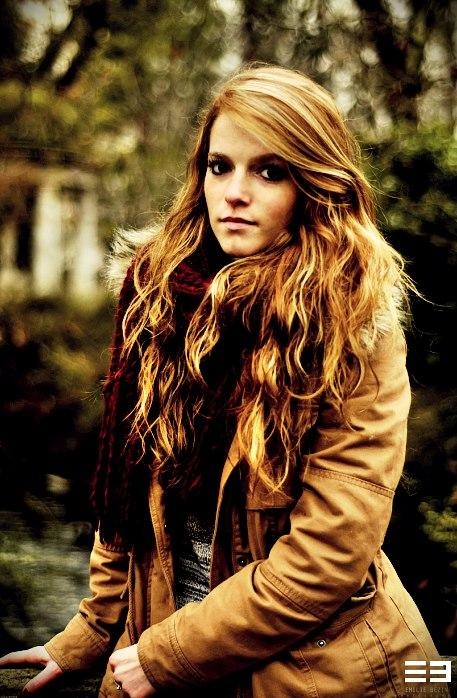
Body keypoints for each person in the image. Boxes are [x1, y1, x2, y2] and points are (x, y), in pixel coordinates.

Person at [0, 64, 449, 698]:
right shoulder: (159, 298)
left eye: (269, 172)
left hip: (319, 672)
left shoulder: (353, 329)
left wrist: (167, 656)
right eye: (220, 166)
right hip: (160, 652)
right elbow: (128, 497)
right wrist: (91, 633)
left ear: (315, 186)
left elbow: (328, 557)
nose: (234, 193)